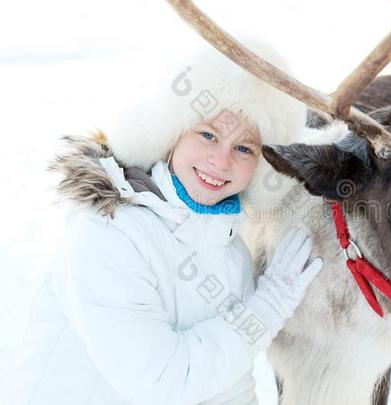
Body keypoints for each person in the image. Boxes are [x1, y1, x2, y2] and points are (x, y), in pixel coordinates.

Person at [0, 40, 322, 405]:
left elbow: (227, 386)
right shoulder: (108, 233)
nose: (221, 160)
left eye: (244, 148)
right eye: (208, 135)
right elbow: (163, 383)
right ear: (172, 134)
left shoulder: (229, 248)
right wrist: (266, 309)